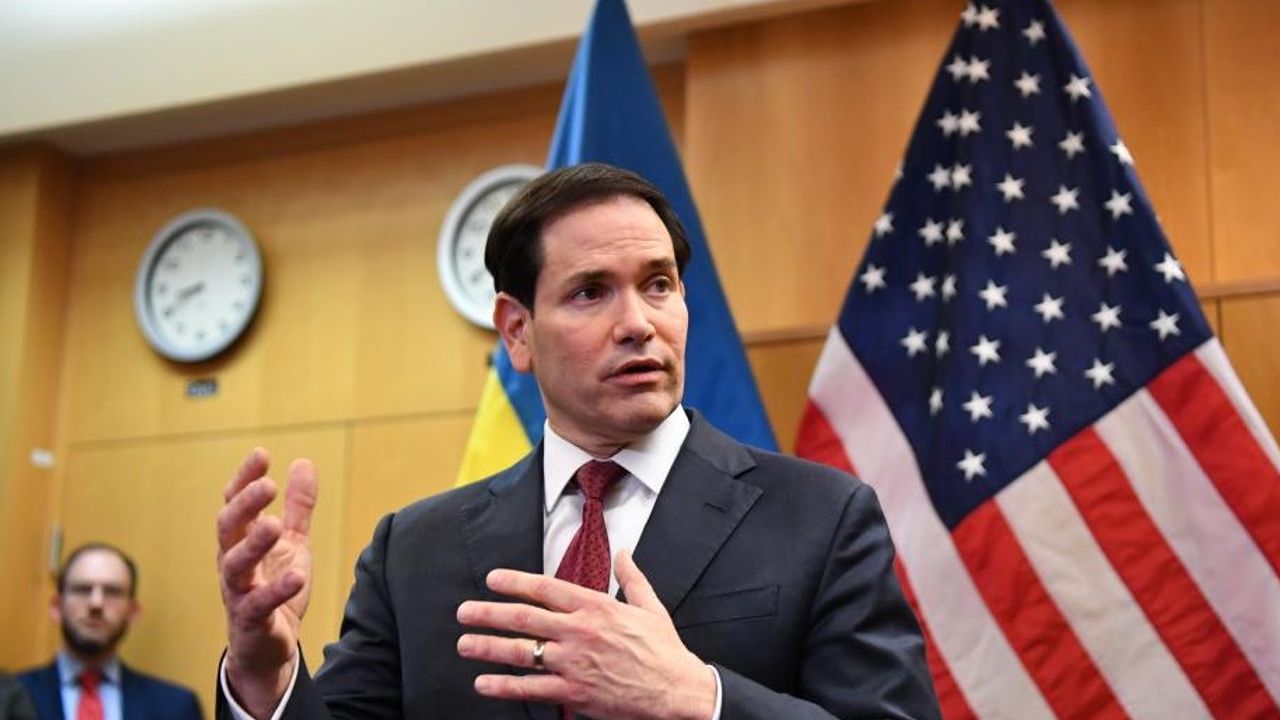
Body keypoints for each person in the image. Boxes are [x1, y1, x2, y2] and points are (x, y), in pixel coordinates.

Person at [215, 163, 941, 719]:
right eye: (591, 292)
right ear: (517, 331)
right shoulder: (413, 550)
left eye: (659, 285)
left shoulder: (821, 517)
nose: (639, 324)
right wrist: (262, 674)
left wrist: (700, 698)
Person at [18, 542, 204, 720]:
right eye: (82, 590)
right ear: (57, 607)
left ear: (133, 612)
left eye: (112, 592)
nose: (96, 603)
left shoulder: (176, 707)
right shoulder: (10, 696)